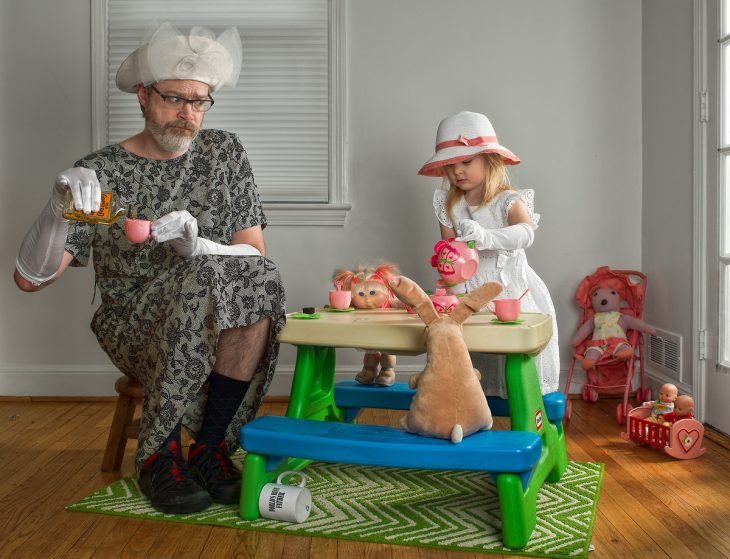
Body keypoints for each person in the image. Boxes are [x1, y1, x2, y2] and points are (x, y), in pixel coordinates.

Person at [13, 22, 286, 515]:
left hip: (215, 312)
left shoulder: (224, 153)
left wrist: (198, 245)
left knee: (261, 279)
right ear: (143, 96)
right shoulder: (100, 170)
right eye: (173, 99)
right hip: (134, 321)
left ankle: (209, 449)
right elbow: (31, 280)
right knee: (204, 277)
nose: (187, 114)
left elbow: (256, 257)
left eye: (198, 101)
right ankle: (158, 456)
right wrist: (57, 210)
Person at [419, 111, 559, 397]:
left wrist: (486, 237)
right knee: (474, 356)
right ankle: (474, 409)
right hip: (470, 294)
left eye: (466, 161)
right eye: (451, 165)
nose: (458, 171)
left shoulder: (506, 200)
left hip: (510, 292)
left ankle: (525, 407)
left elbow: (526, 233)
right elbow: (449, 254)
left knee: (512, 355)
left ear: (489, 159)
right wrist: (451, 288)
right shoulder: (449, 206)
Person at [332, 262, 399, 387]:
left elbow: (403, 305)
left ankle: (387, 371)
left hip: (388, 333)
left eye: (373, 293)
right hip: (369, 335)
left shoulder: (391, 303)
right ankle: (369, 370)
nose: (367, 300)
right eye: (361, 295)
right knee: (370, 353)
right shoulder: (353, 307)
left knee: (387, 353)